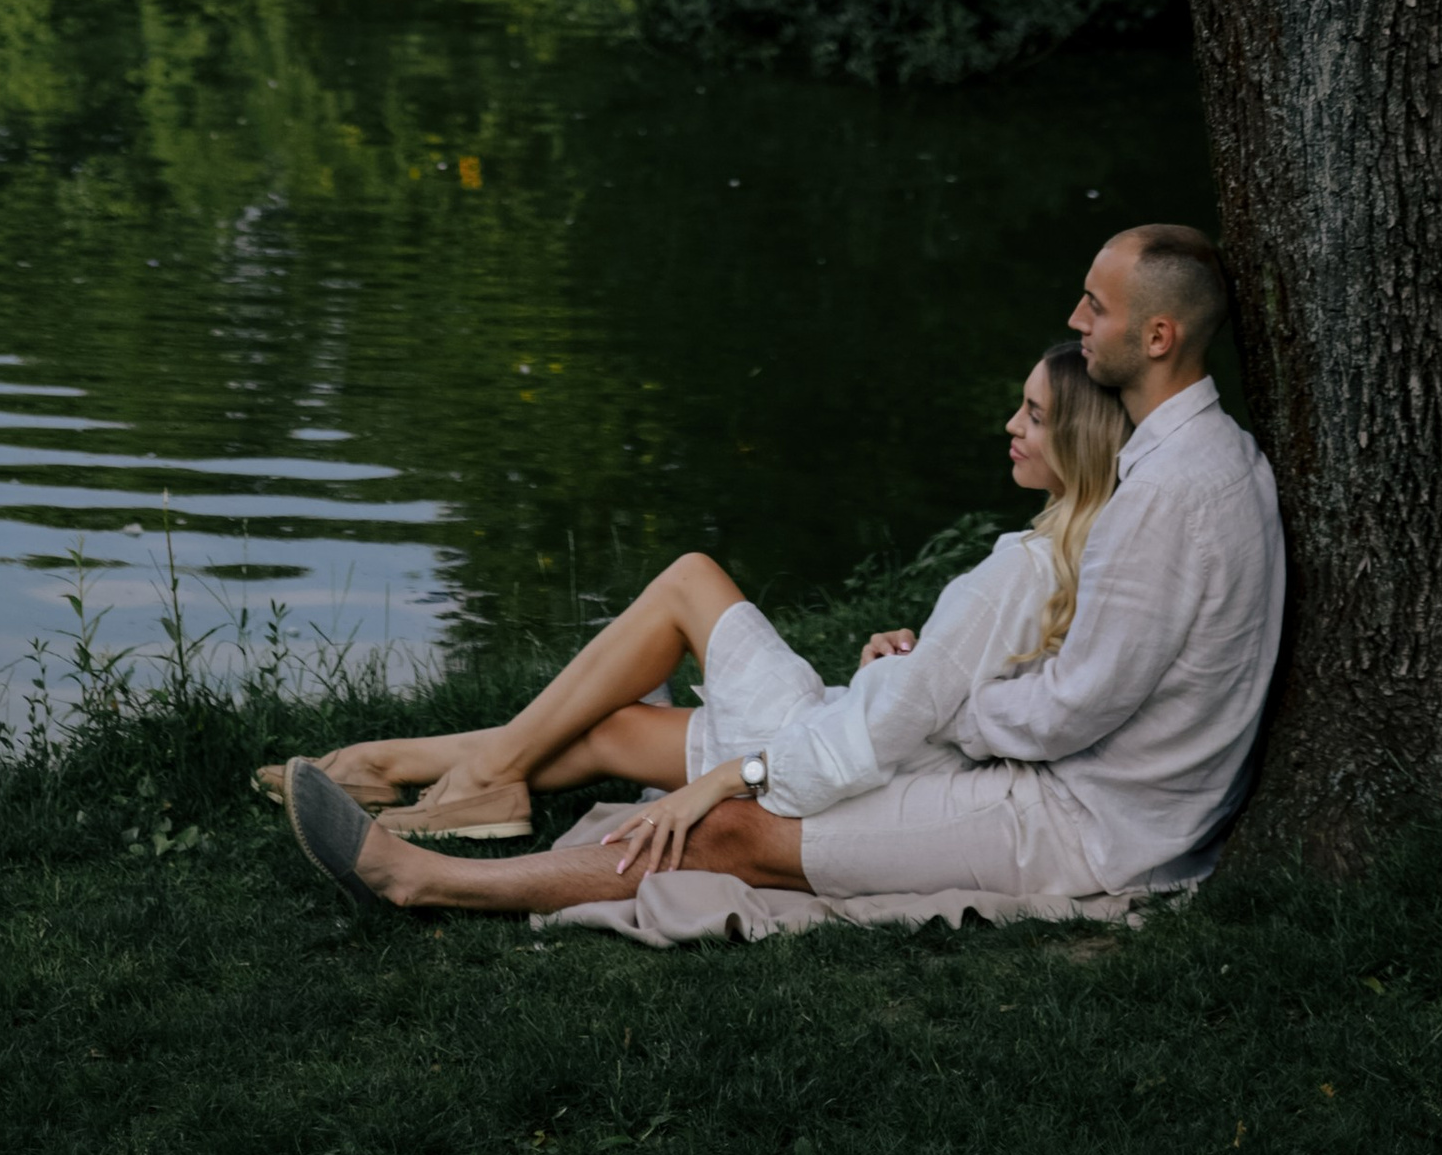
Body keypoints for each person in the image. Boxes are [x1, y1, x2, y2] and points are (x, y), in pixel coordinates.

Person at [284, 218, 1282, 924]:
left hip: (1088, 825)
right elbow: (1092, 666)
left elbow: (1074, 708)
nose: (1074, 317)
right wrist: (933, 680)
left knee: (728, 829)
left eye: (1095, 308)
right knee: (682, 755)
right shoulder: (1196, 466)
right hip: (1075, 784)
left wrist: (938, 700)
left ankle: (421, 880)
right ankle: (426, 777)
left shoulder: (1174, 493)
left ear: (1158, 337)